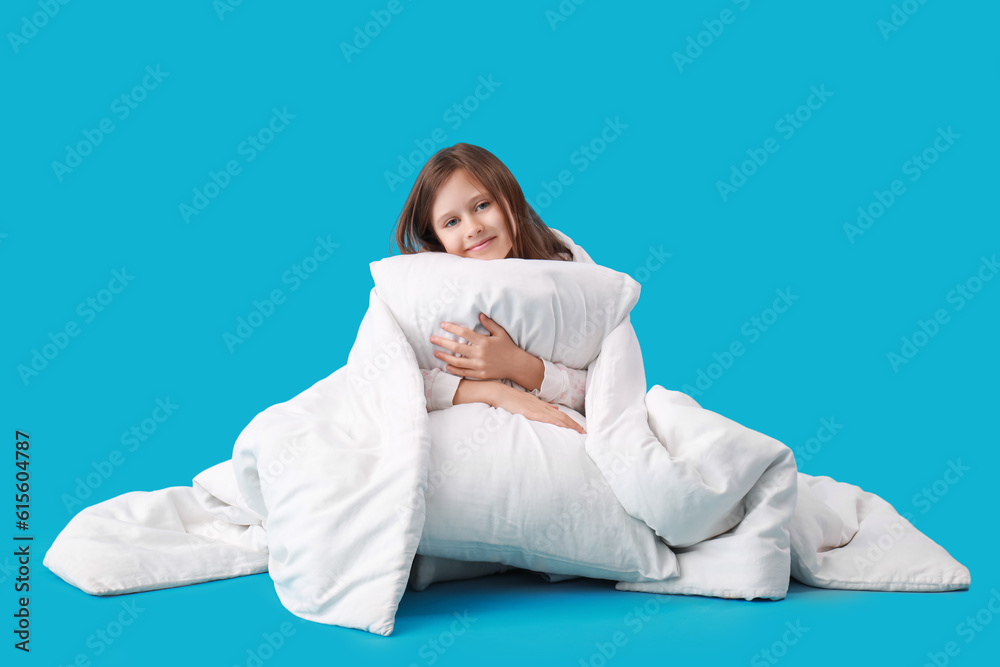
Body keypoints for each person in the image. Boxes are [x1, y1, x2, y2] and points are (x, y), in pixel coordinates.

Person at [393, 143, 587, 434]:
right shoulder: (422, 288)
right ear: (436, 238)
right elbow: (388, 382)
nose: (472, 228)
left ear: (508, 198)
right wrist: (494, 392)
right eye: (452, 222)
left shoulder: (563, 269)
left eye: (482, 205)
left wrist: (517, 364)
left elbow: (605, 385)